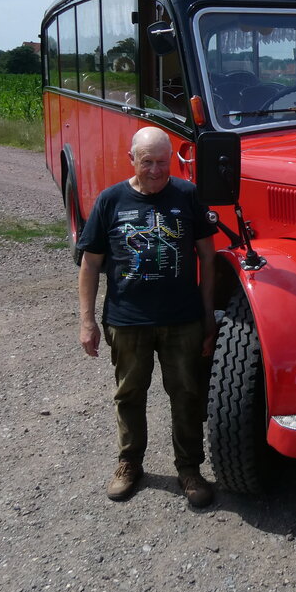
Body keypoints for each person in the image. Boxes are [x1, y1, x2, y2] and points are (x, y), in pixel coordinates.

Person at [77, 126, 219, 507]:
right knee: (129, 394)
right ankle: (129, 463)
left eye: (162, 161)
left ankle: (189, 469)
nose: (156, 170)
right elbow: (90, 264)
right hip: (127, 320)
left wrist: (208, 317)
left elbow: (208, 257)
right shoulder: (110, 200)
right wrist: (87, 321)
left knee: (187, 395)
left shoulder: (188, 196)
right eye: (147, 161)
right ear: (132, 160)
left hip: (183, 320)